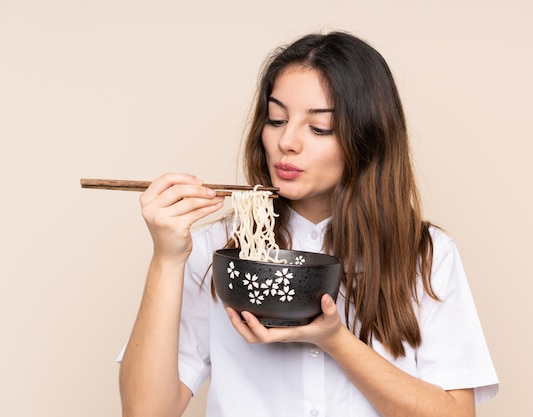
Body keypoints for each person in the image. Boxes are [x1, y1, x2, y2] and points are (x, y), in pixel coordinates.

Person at [118, 31, 499, 417]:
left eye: (319, 128)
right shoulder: (215, 249)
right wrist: (166, 259)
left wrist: (336, 339)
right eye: (276, 119)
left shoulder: (425, 255)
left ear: (367, 139)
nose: (287, 141)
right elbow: (144, 412)